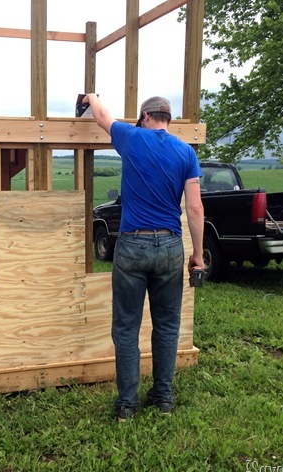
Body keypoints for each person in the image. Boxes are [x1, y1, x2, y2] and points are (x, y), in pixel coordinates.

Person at [82, 93, 205, 422]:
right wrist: (199, 256)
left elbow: (102, 116)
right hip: (169, 246)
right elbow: (194, 208)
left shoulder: (131, 137)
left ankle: (127, 404)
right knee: (167, 326)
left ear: (146, 116)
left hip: (132, 245)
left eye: (140, 119)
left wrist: (91, 96)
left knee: (126, 327)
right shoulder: (186, 153)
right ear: (168, 118)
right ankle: (163, 397)